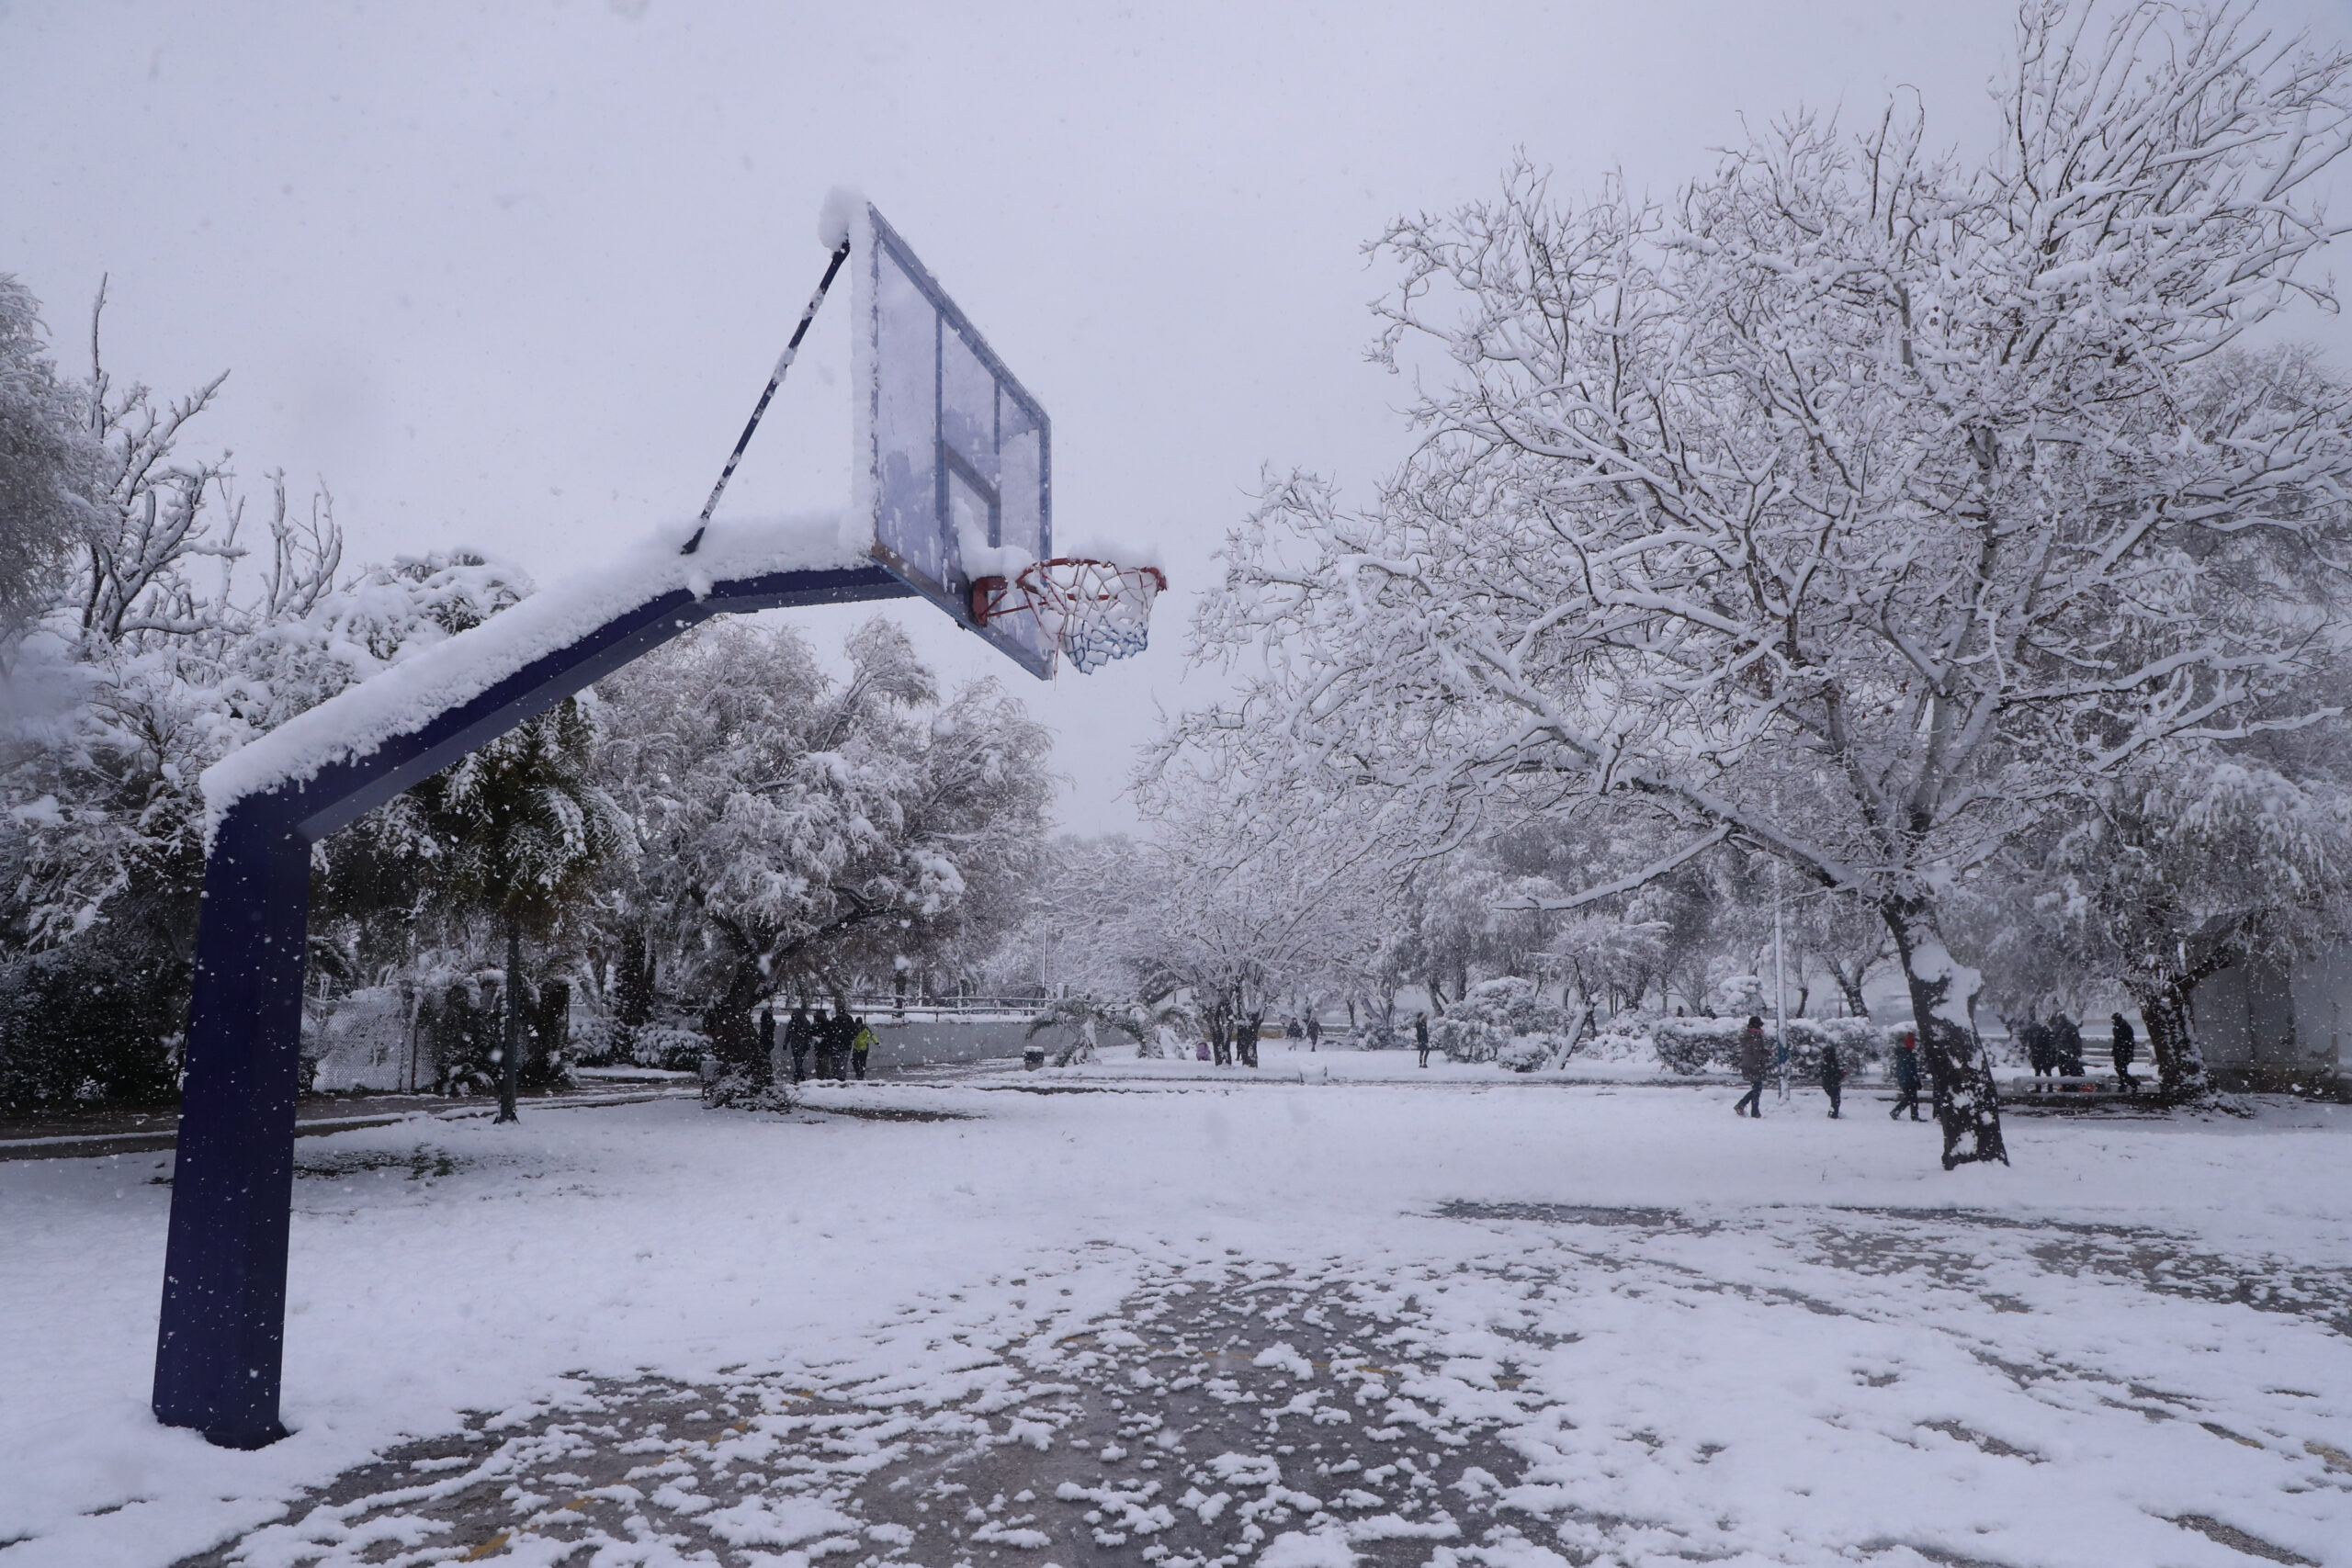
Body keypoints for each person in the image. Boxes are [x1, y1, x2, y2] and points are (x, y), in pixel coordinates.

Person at [1734, 1016, 1770, 1118]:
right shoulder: (1756, 1037)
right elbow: (1757, 1053)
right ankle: (1746, 1107)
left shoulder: (1747, 1036)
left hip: (1747, 1064)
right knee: (1757, 1089)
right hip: (1755, 1065)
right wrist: (1766, 1053)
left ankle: (1752, 1110)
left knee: (1756, 1088)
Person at [1889, 1031, 1925, 1121]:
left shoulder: (1904, 1054)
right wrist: (1916, 1080)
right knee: (1911, 1098)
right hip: (1908, 1081)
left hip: (1906, 1080)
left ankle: (1912, 1115)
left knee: (1911, 1098)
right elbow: (1911, 1070)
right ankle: (1897, 1112)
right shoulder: (1907, 1055)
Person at [2110, 1011, 2139, 1093]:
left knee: (2121, 1069)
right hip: (2120, 1052)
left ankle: (2132, 1083)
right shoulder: (2117, 1028)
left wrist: (2128, 1052)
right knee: (2120, 1069)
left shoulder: (2125, 1028)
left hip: (2124, 1052)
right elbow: (2117, 1041)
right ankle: (2125, 1084)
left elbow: (2130, 1041)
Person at [2052, 1012, 2086, 1079]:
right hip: (2067, 1053)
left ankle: (2068, 1086)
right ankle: (2070, 1085)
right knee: (2068, 1071)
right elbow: (2077, 1041)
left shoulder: (2062, 1028)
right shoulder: (2065, 1028)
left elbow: (2076, 1041)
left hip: (2066, 1053)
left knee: (2066, 1071)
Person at [785, 1003, 812, 1083]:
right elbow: (788, 1034)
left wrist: (808, 1043)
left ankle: (797, 1076)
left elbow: (809, 1035)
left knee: (799, 1060)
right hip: (795, 1044)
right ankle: (801, 1076)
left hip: (802, 1045)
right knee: (797, 1061)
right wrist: (785, 1043)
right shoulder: (792, 1023)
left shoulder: (805, 1023)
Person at [2025, 1014, 2056, 1079]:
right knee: (2045, 1073)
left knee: (2041, 1073)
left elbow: (2032, 1046)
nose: (2035, 1033)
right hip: (2043, 1056)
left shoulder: (2040, 1035)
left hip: (2041, 1056)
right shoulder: (2044, 1034)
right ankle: (2046, 1087)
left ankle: (2041, 1088)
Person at [1819, 1037, 1845, 1119]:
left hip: (1828, 1084)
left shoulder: (1825, 1063)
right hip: (1833, 1084)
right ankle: (1833, 1115)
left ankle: (1833, 1113)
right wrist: (1841, 1074)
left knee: (1835, 1100)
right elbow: (1834, 1075)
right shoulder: (1831, 1063)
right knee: (1836, 1100)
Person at [851, 1015, 875, 1080]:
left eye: (859, 1024)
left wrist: (876, 1042)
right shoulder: (854, 1029)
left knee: (862, 1062)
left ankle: (861, 1075)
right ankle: (858, 1072)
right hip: (856, 1048)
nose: (858, 1025)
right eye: (857, 1024)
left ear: (861, 1024)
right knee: (854, 1060)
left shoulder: (865, 1029)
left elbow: (871, 1036)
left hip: (864, 1048)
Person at [759, 1005, 778, 1084]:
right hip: (767, 1041)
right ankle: (767, 1075)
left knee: (765, 1058)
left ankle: (766, 1075)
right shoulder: (769, 1022)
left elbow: (765, 1031)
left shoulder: (766, 1022)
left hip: (765, 1041)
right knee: (766, 1058)